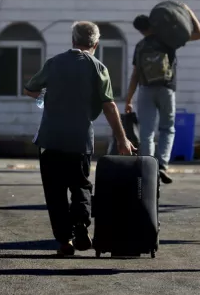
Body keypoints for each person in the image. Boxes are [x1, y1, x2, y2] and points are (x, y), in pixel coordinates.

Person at [24, 21, 135, 257]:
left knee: (54, 193)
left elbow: (30, 88)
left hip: (50, 139)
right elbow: (109, 105)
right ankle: (82, 228)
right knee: (81, 186)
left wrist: (46, 94)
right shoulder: (98, 67)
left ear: (72, 40)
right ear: (95, 43)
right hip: (80, 140)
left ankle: (65, 242)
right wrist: (122, 139)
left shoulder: (53, 63)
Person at [124, 7, 200, 184]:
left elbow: (135, 75)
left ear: (140, 30)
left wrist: (129, 99)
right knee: (167, 128)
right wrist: (188, 11)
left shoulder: (140, 46)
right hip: (166, 89)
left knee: (146, 131)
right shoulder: (167, 41)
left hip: (145, 90)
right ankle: (162, 165)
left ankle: (147, 168)